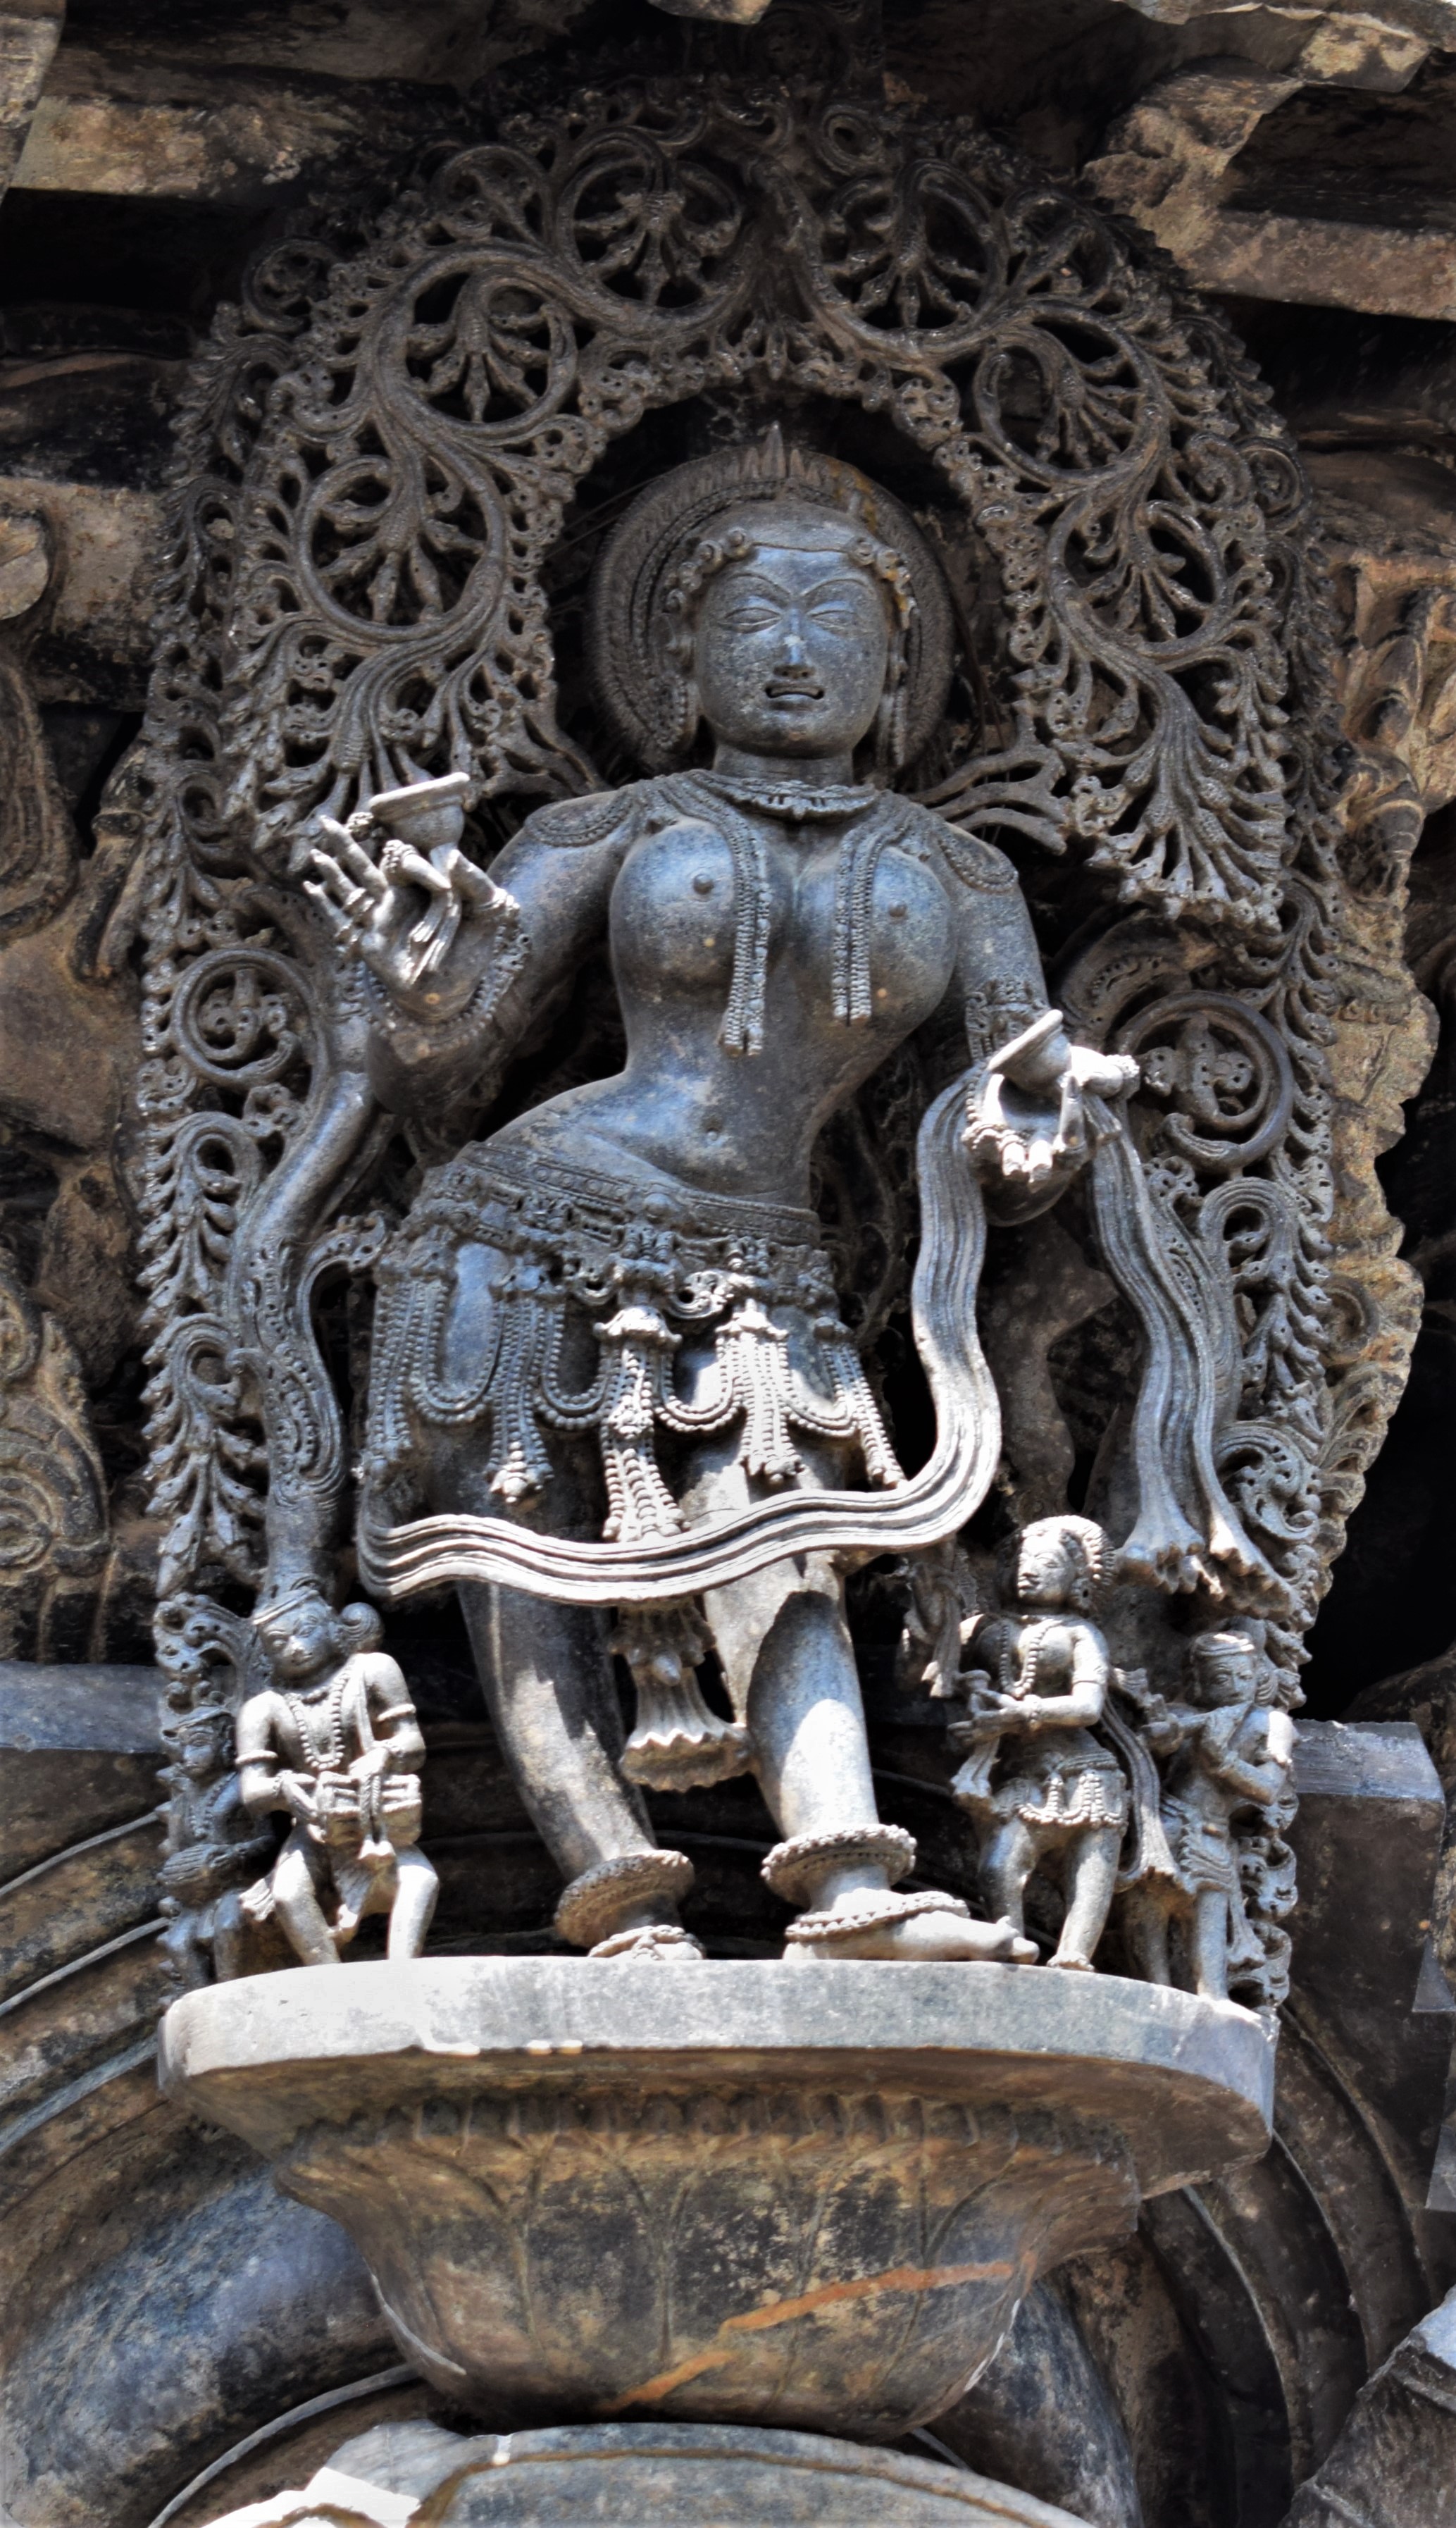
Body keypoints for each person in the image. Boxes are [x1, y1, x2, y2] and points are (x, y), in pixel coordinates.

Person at [302, 433, 1241, 1964]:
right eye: (751, 619)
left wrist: (1037, 1135)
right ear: (678, 655)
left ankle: (850, 1890)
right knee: (522, 1555)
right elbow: (441, 1064)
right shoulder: (605, 831)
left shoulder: (958, 875)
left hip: (761, 1255)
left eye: (834, 623)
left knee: (783, 1544)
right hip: (527, 1221)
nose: (792, 653)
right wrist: (412, 988)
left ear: (897, 668)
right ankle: (614, 1898)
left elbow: (1015, 1097)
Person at [950, 1518, 1127, 1972]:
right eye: (1023, 1562)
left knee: (1089, 1875)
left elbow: (1088, 1706)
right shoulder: (984, 1630)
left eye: (1048, 1564)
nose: (1029, 1572)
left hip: (1088, 1773)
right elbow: (931, 1670)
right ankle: (1008, 1944)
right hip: (1022, 1776)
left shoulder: (1080, 1634)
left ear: (1078, 1580)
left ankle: (1075, 1956)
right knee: (999, 1865)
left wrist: (1020, 1715)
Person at [235, 1583, 439, 1966]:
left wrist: (384, 1754)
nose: (295, 1647)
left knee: (421, 1880)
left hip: (375, 1810)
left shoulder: (372, 1669)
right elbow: (252, 1792)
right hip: (315, 1824)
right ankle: (329, 1976)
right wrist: (284, 1787)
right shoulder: (264, 1708)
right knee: (288, 1894)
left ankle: (403, 1973)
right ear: (267, 1655)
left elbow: (413, 1744)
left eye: (306, 1630)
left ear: (332, 1627)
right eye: (279, 1643)